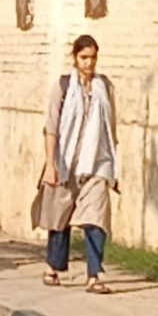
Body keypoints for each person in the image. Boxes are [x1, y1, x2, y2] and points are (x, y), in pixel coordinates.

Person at [37, 34, 120, 293]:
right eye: (84, 57)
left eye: (93, 58)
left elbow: (110, 127)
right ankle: (53, 266)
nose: (88, 63)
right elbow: (52, 127)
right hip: (65, 161)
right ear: (75, 58)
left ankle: (94, 275)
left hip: (96, 162)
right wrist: (51, 164)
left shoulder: (104, 87)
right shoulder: (63, 86)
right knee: (59, 217)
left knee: (96, 220)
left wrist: (114, 167)